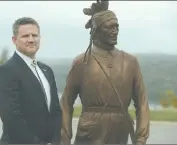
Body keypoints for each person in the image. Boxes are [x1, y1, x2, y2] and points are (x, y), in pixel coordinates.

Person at [60, 1, 150, 145]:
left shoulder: (130, 62)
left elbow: (142, 102)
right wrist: (64, 138)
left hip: (120, 132)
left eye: (117, 27)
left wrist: (141, 138)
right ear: (96, 30)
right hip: (89, 131)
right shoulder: (81, 62)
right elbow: (66, 103)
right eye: (109, 27)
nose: (115, 31)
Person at [0, 17, 62, 145]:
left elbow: (56, 110)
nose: (31, 39)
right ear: (14, 40)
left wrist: (55, 140)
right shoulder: (7, 71)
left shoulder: (47, 70)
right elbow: (11, 118)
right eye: (25, 36)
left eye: (35, 35)